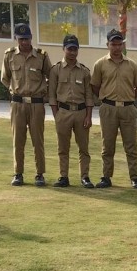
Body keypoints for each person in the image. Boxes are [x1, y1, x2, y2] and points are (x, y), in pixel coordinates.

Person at [90, 28, 137, 189]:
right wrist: (105, 97)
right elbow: (95, 85)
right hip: (108, 108)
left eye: (119, 44)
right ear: (108, 45)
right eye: (113, 44)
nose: (116, 47)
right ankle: (106, 177)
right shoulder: (100, 64)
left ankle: (135, 178)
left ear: (123, 45)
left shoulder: (131, 65)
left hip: (128, 109)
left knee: (131, 146)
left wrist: (129, 98)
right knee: (107, 145)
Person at [0, 23, 52, 186]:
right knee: (18, 140)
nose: (24, 42)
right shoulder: (9, 55)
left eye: (27, 39)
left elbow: (51, 76)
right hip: (17, 104)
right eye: (21, 39)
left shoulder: (41, 56)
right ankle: (18, 173)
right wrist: (14, 90)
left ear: (31, 38)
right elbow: (5, 77)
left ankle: (39, 174)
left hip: (36, 104)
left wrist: (44, 94)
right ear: (16, 39)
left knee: (38, 140)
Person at [47, 34, 95, 188]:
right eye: (69, 49)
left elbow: (89, 96)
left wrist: (89, 116)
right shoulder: (56, 70)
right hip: (63, 112)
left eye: (75, 49)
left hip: (81, 113)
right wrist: (57, 115)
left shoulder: (85, 71)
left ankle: (85, 176)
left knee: (84, 147)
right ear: (64, 49)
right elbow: (52, 95)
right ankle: (63, 176)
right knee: (63, 147)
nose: (72, 52)